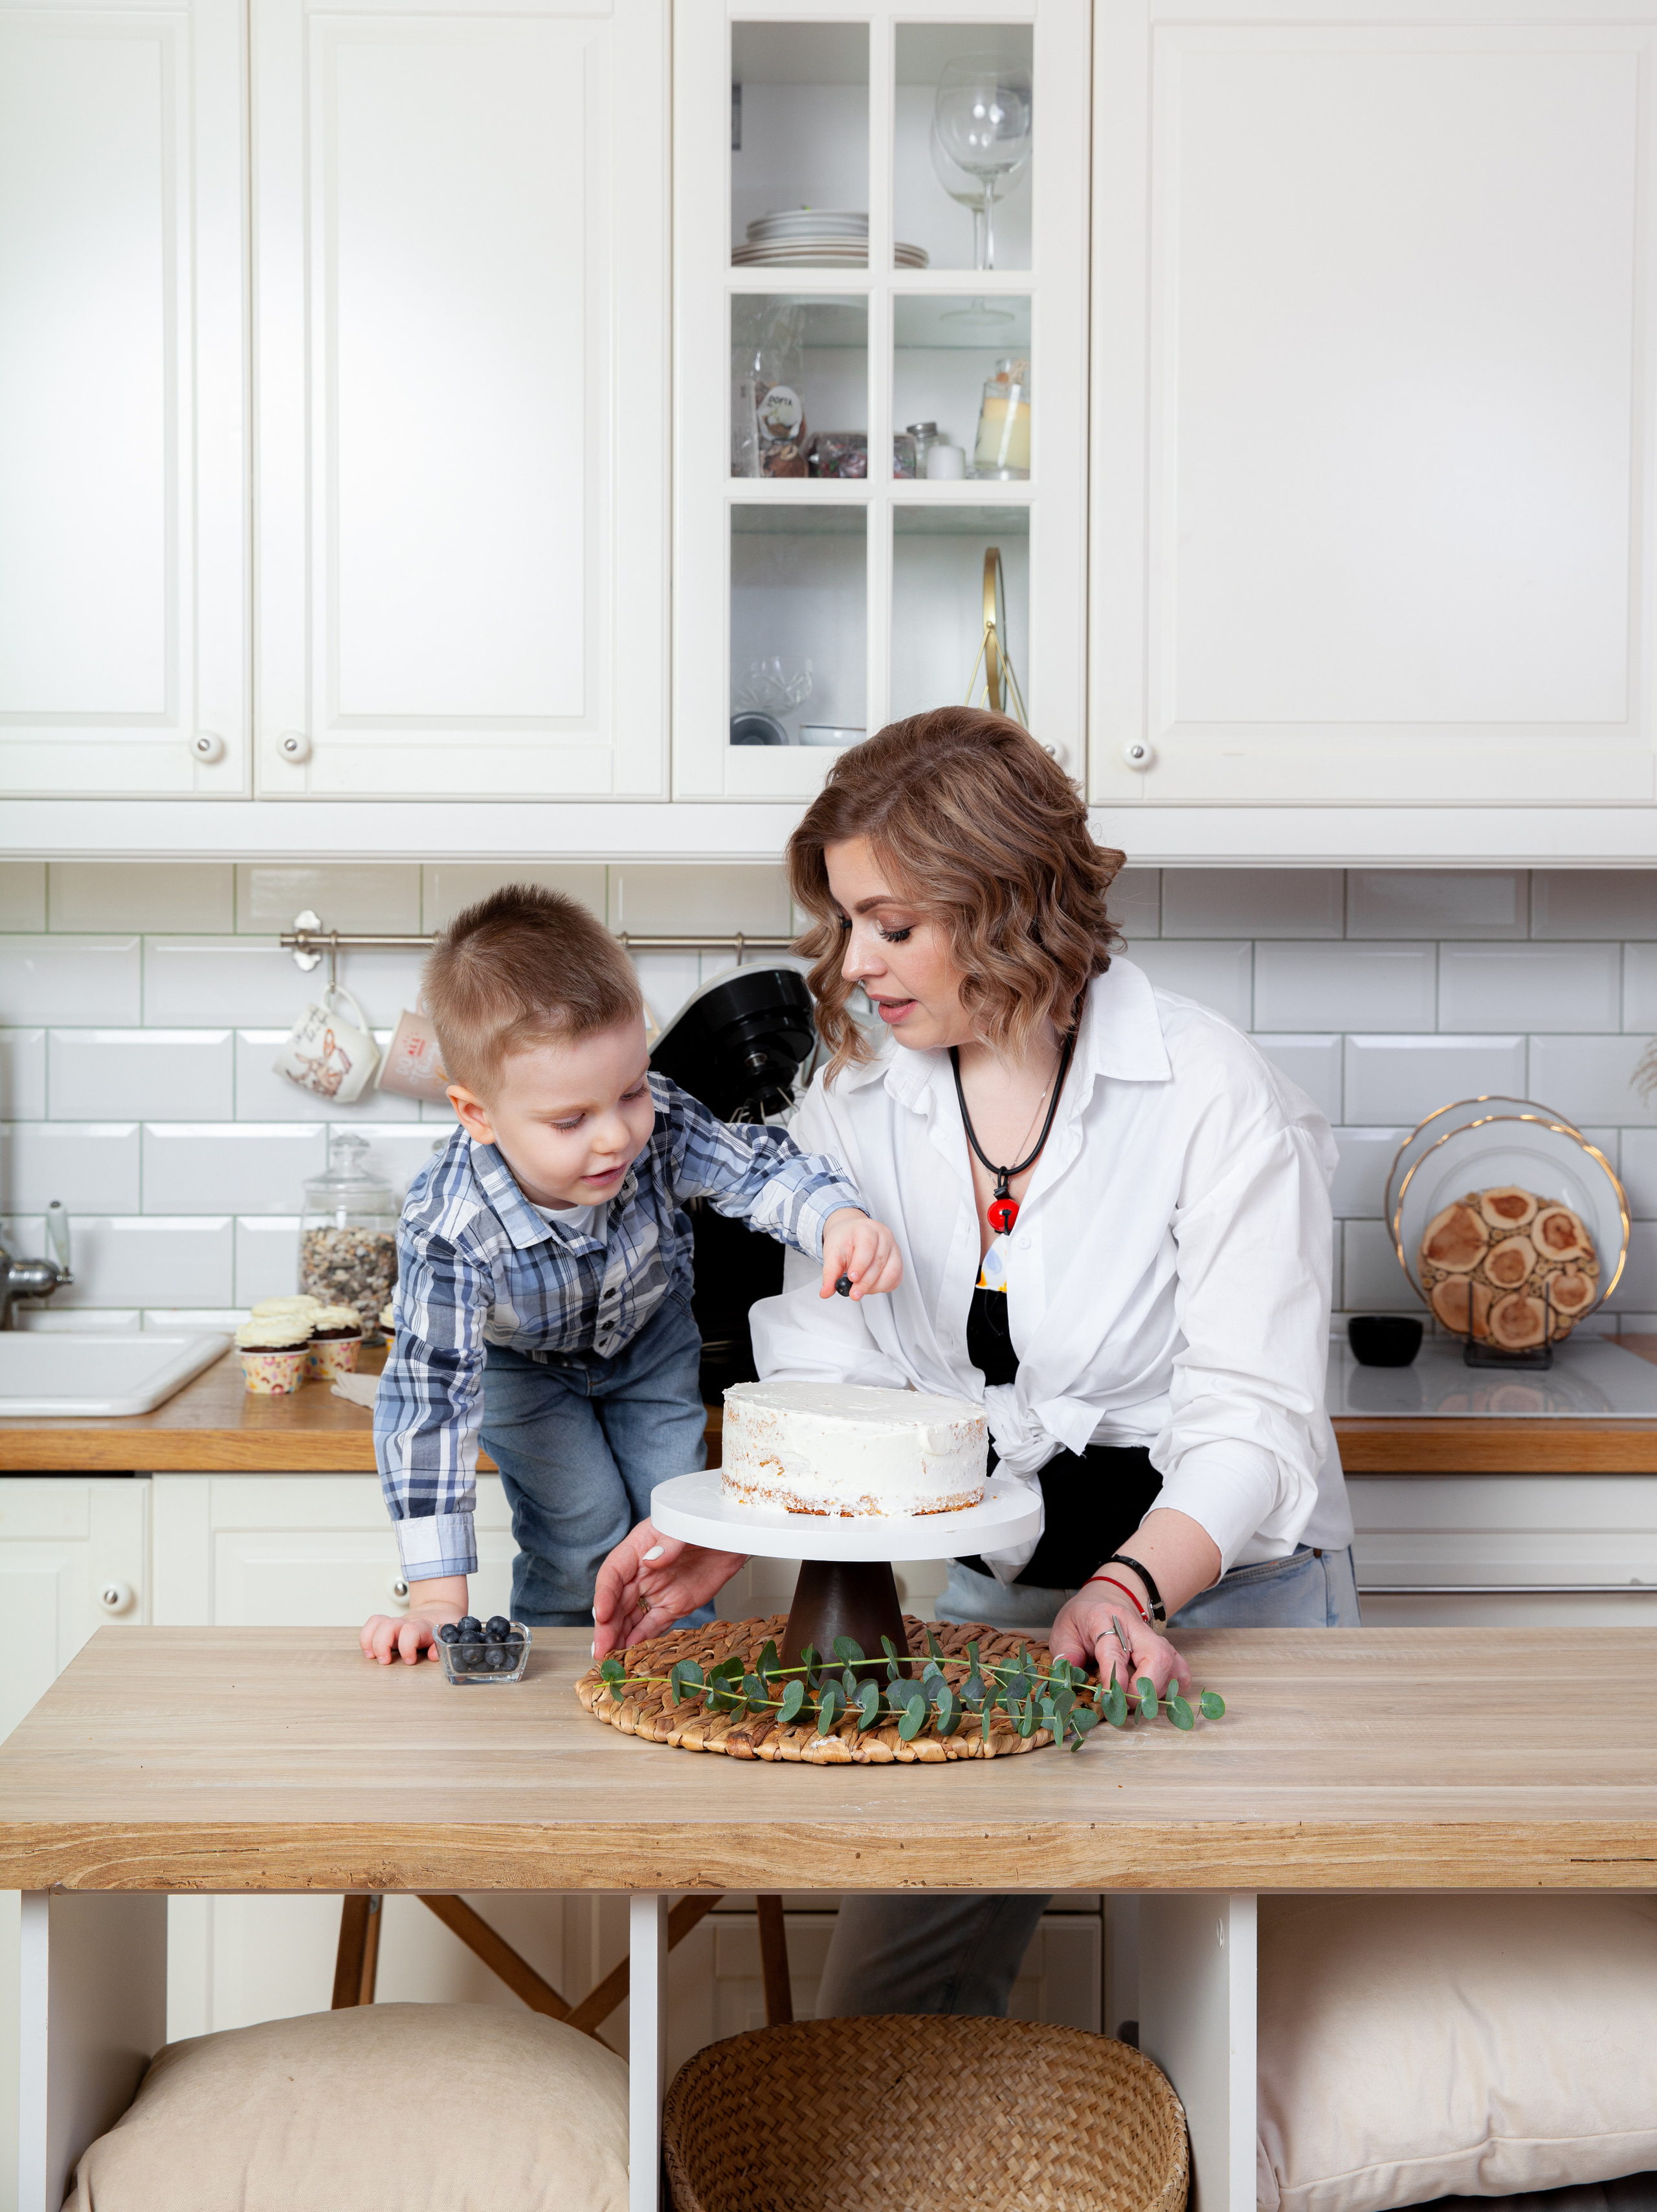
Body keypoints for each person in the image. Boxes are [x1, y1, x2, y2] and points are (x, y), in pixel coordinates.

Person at [592, 709, 1355, 2018]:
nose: (854, 964)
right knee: (882, 2016)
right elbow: (831, 1372)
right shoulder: (852, 1100)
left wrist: (1127, 1589)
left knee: (1238, 2034)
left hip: (1236, 1602)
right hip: (1000, 1607)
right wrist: (754, 1526)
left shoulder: (1216, 1095)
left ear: (1004, 905)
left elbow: (1251, 1420)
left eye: (892, 925)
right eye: (846, 922)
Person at [360, 883, 902, 1663]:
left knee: (673, 1524)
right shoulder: (449, 1227)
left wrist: (836, 1218)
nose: (616, 1135)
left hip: (650, 1345)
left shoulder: (663, 1121)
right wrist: (437, 1600)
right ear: (477, 1114)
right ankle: (553, 1685)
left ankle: (680, 1675)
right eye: (570, 1120)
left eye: (630, 1090)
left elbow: (755, 1170)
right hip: (525, 1373)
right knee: (579, 1528)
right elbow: (429, 1405)